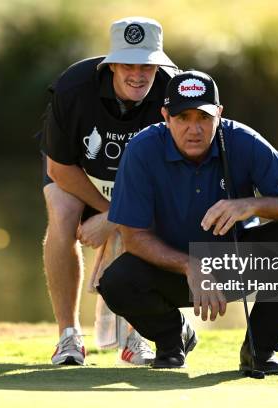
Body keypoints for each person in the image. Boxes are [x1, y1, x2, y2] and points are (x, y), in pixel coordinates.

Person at [98, 70, 278, 371]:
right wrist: (190, 265)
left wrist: (251, 205)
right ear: (165, 116)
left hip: (233, 266)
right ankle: (172, 338)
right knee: (115, 282)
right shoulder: (142, 150)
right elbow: (134, 236)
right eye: (183, 117)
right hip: (171, 270)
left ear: (219, 114)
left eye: (203, 117)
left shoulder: (242, 140)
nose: (194, 129)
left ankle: (260, 350)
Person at [39, 16, 178, 366]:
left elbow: (177, 174)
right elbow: (58, 169)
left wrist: (117, 219)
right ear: (112, 63)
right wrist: (107, 210)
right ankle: (68, 337)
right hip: (80, 176)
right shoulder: (73, 88)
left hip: (141, 185)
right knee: (63, 213)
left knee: (146, 227)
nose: (139, 74)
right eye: (129, 64)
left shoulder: (175, 92)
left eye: (148, 64)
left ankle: (136, 337)